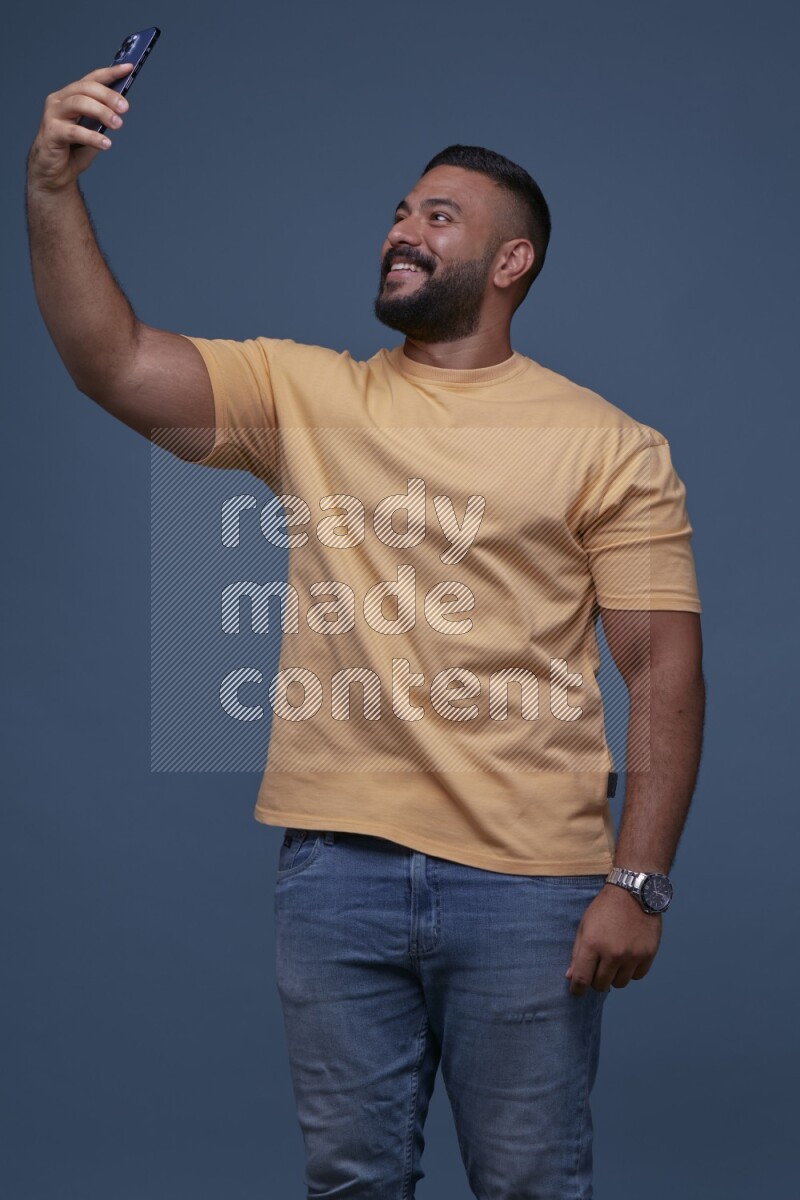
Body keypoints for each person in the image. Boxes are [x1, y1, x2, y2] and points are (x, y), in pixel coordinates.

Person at [26, 59, 706, 1200]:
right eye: (399, 212)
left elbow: (663, 669)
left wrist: (635, 884)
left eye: (437, 218)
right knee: (350, 1182)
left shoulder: (608, 445)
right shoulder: (306, 396)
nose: (401, 231)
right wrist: (52, 188)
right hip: (333, 875)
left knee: (531, 1184)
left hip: (531, 884)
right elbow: (112, 361)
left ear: (508, 263)